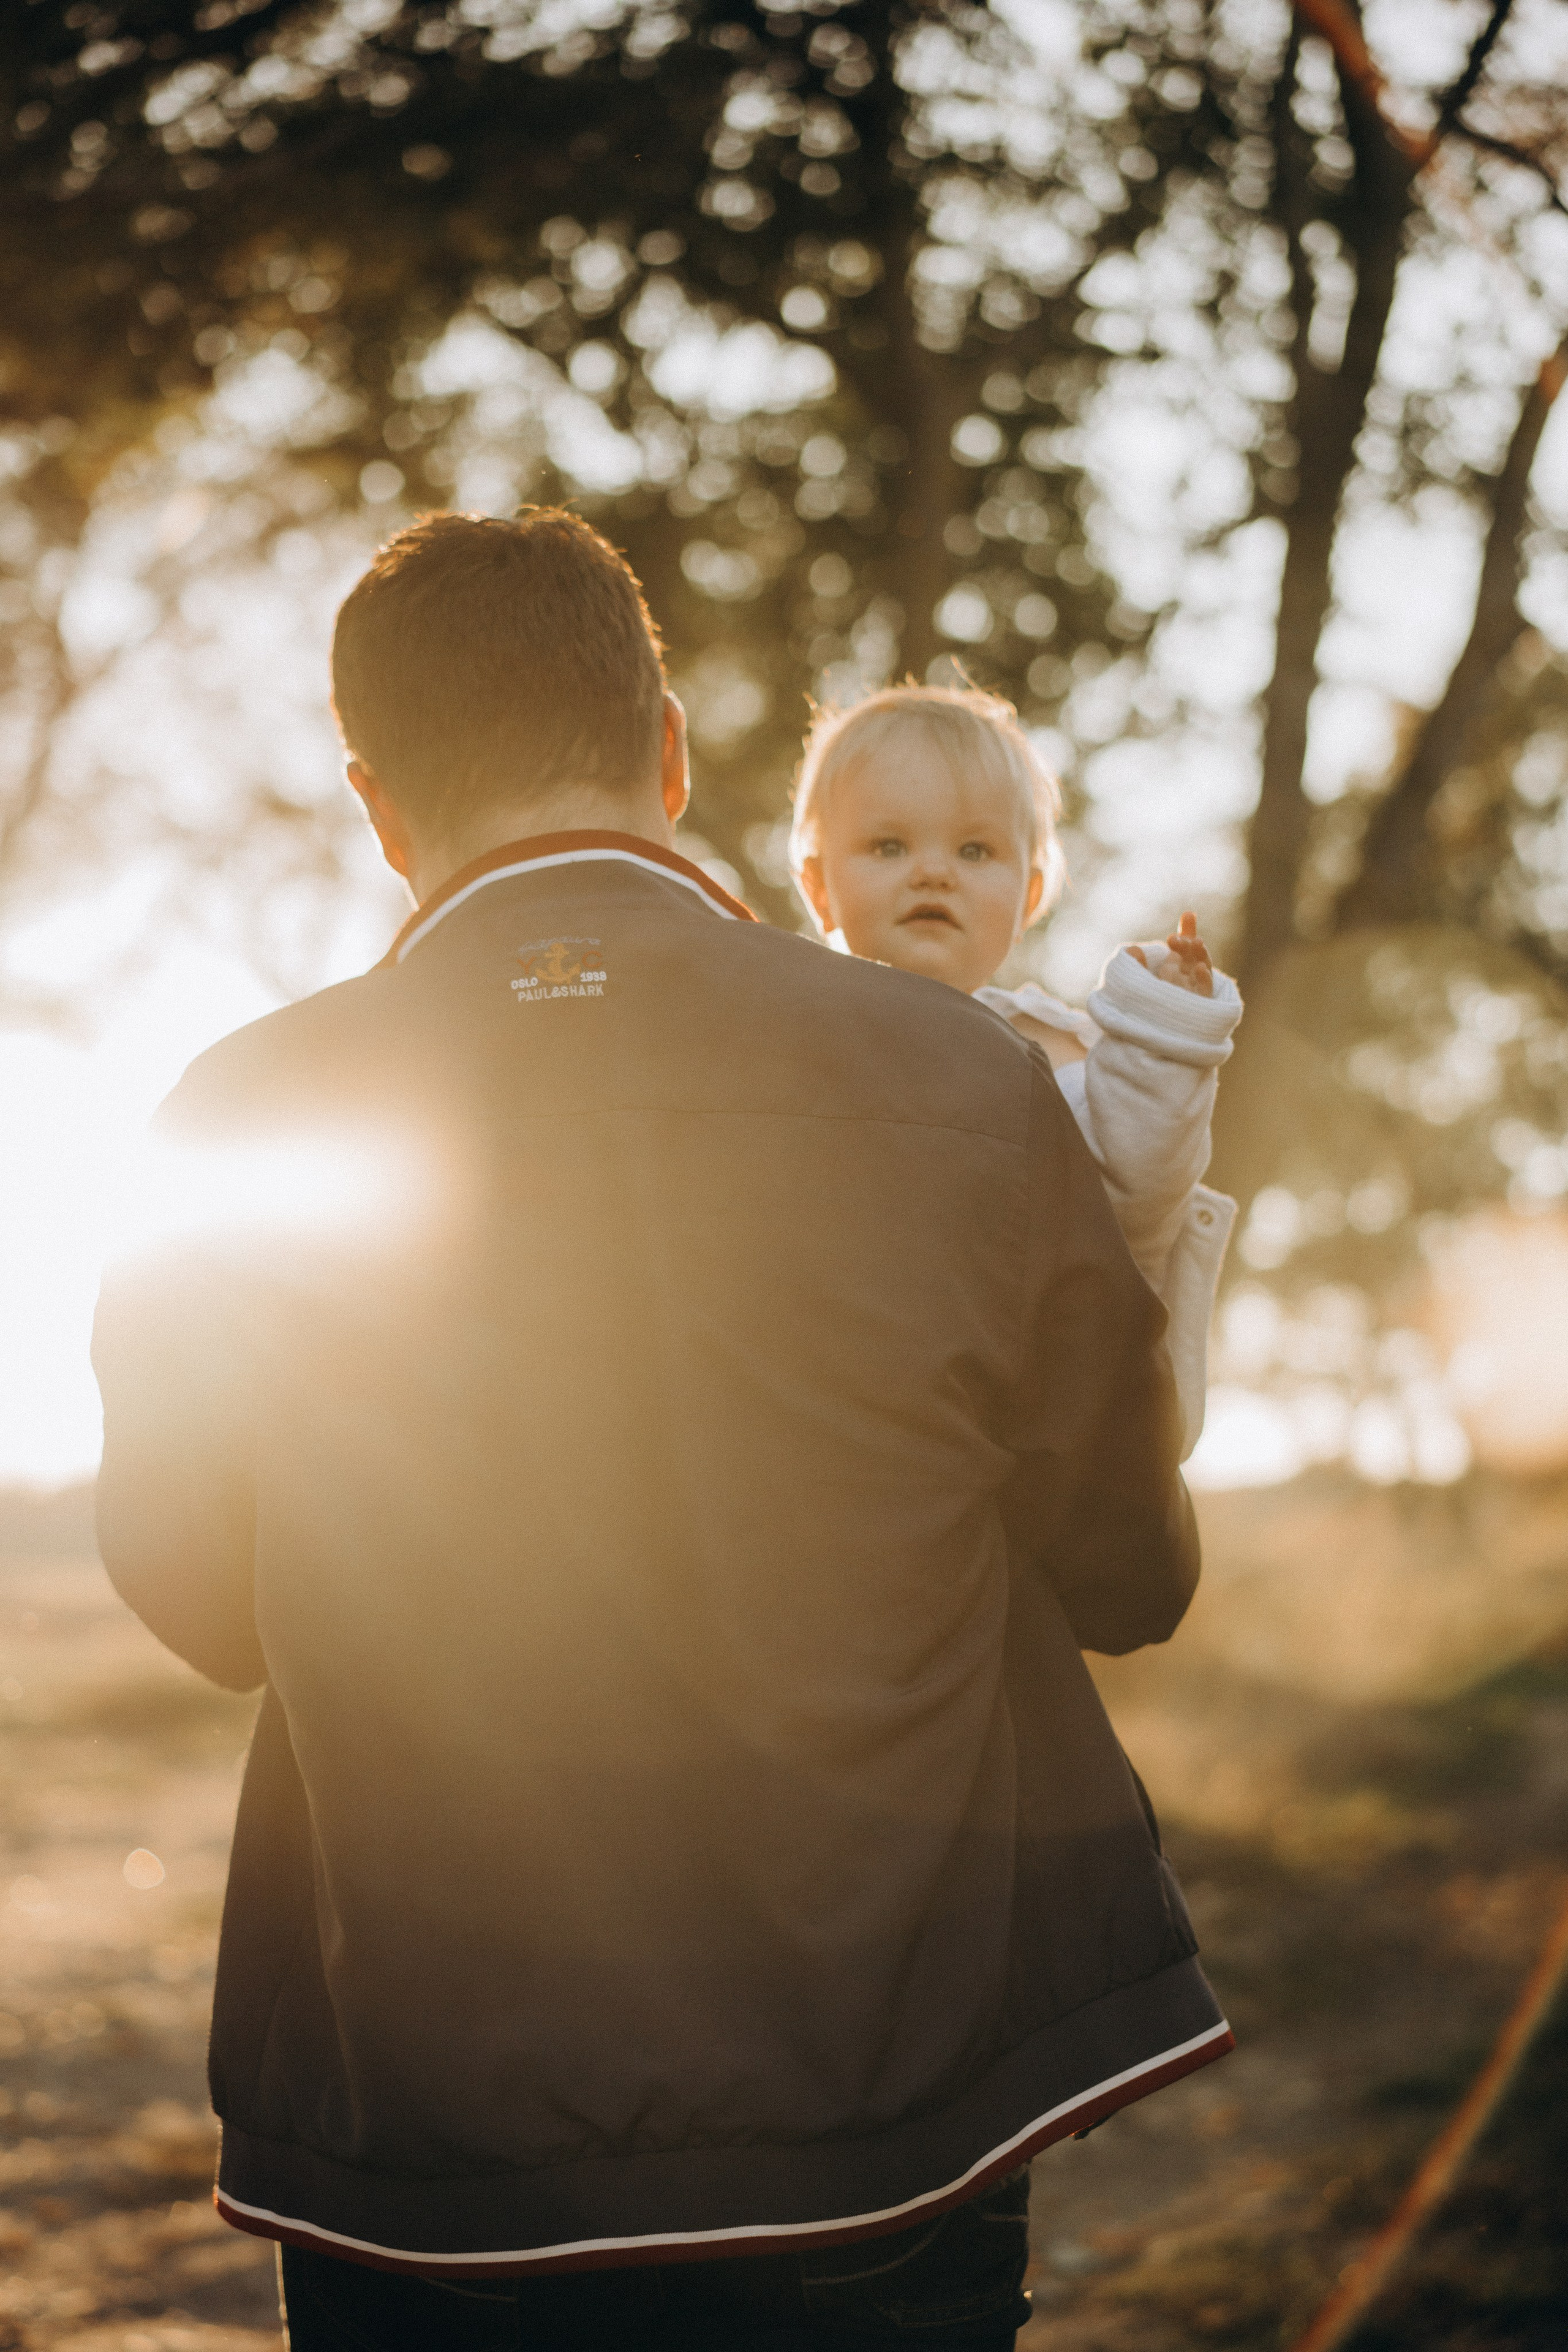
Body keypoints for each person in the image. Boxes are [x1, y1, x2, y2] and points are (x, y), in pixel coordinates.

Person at [92, 511, 1232, 2351]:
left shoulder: (236, 1116)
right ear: (675, 754)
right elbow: (1127, 1570)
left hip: (432, 2121)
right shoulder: (959, 1077)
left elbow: (201, 1593)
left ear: (380, 807)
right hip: (882, 2108)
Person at [791, 684, 1243, 1458]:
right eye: (889, 846)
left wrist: (1163, 1035)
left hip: (1024, 1434)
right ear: (817, 886)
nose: (933, 873)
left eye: (974, 851)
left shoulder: (1047, 1056)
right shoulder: (790, 1039)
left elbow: (1137, 1192)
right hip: (838, 1422)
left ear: (1029, 894)